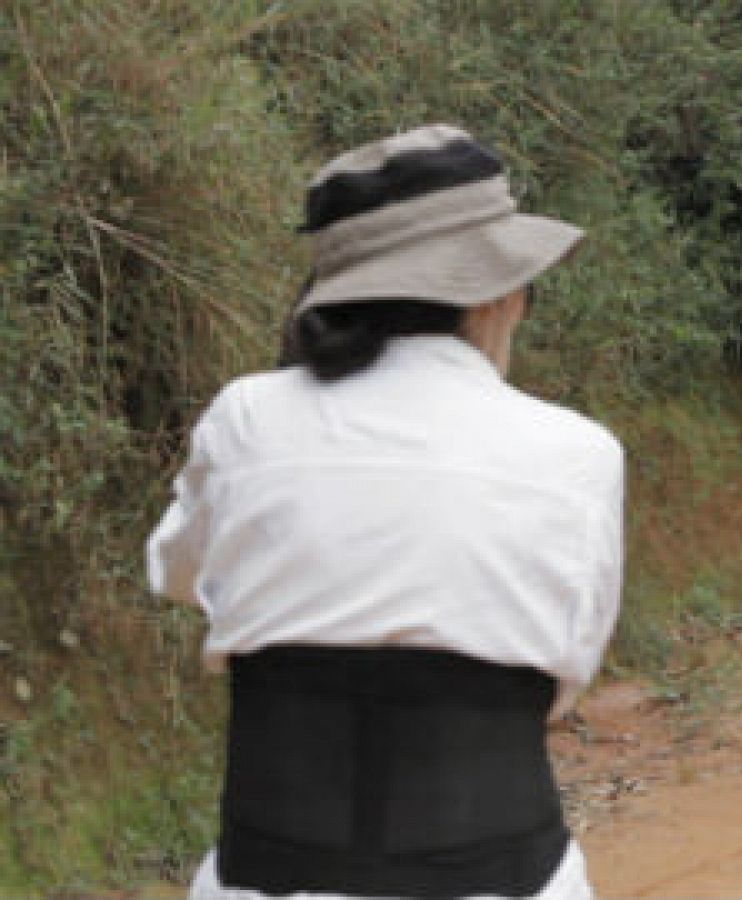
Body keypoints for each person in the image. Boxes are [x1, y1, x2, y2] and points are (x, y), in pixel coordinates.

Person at [146, 124, 622, 899]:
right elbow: (566, 665)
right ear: (497, 294)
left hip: (268, 877)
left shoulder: (245, 418)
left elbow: (176, 573)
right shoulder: (579, 454)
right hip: (503, 876)